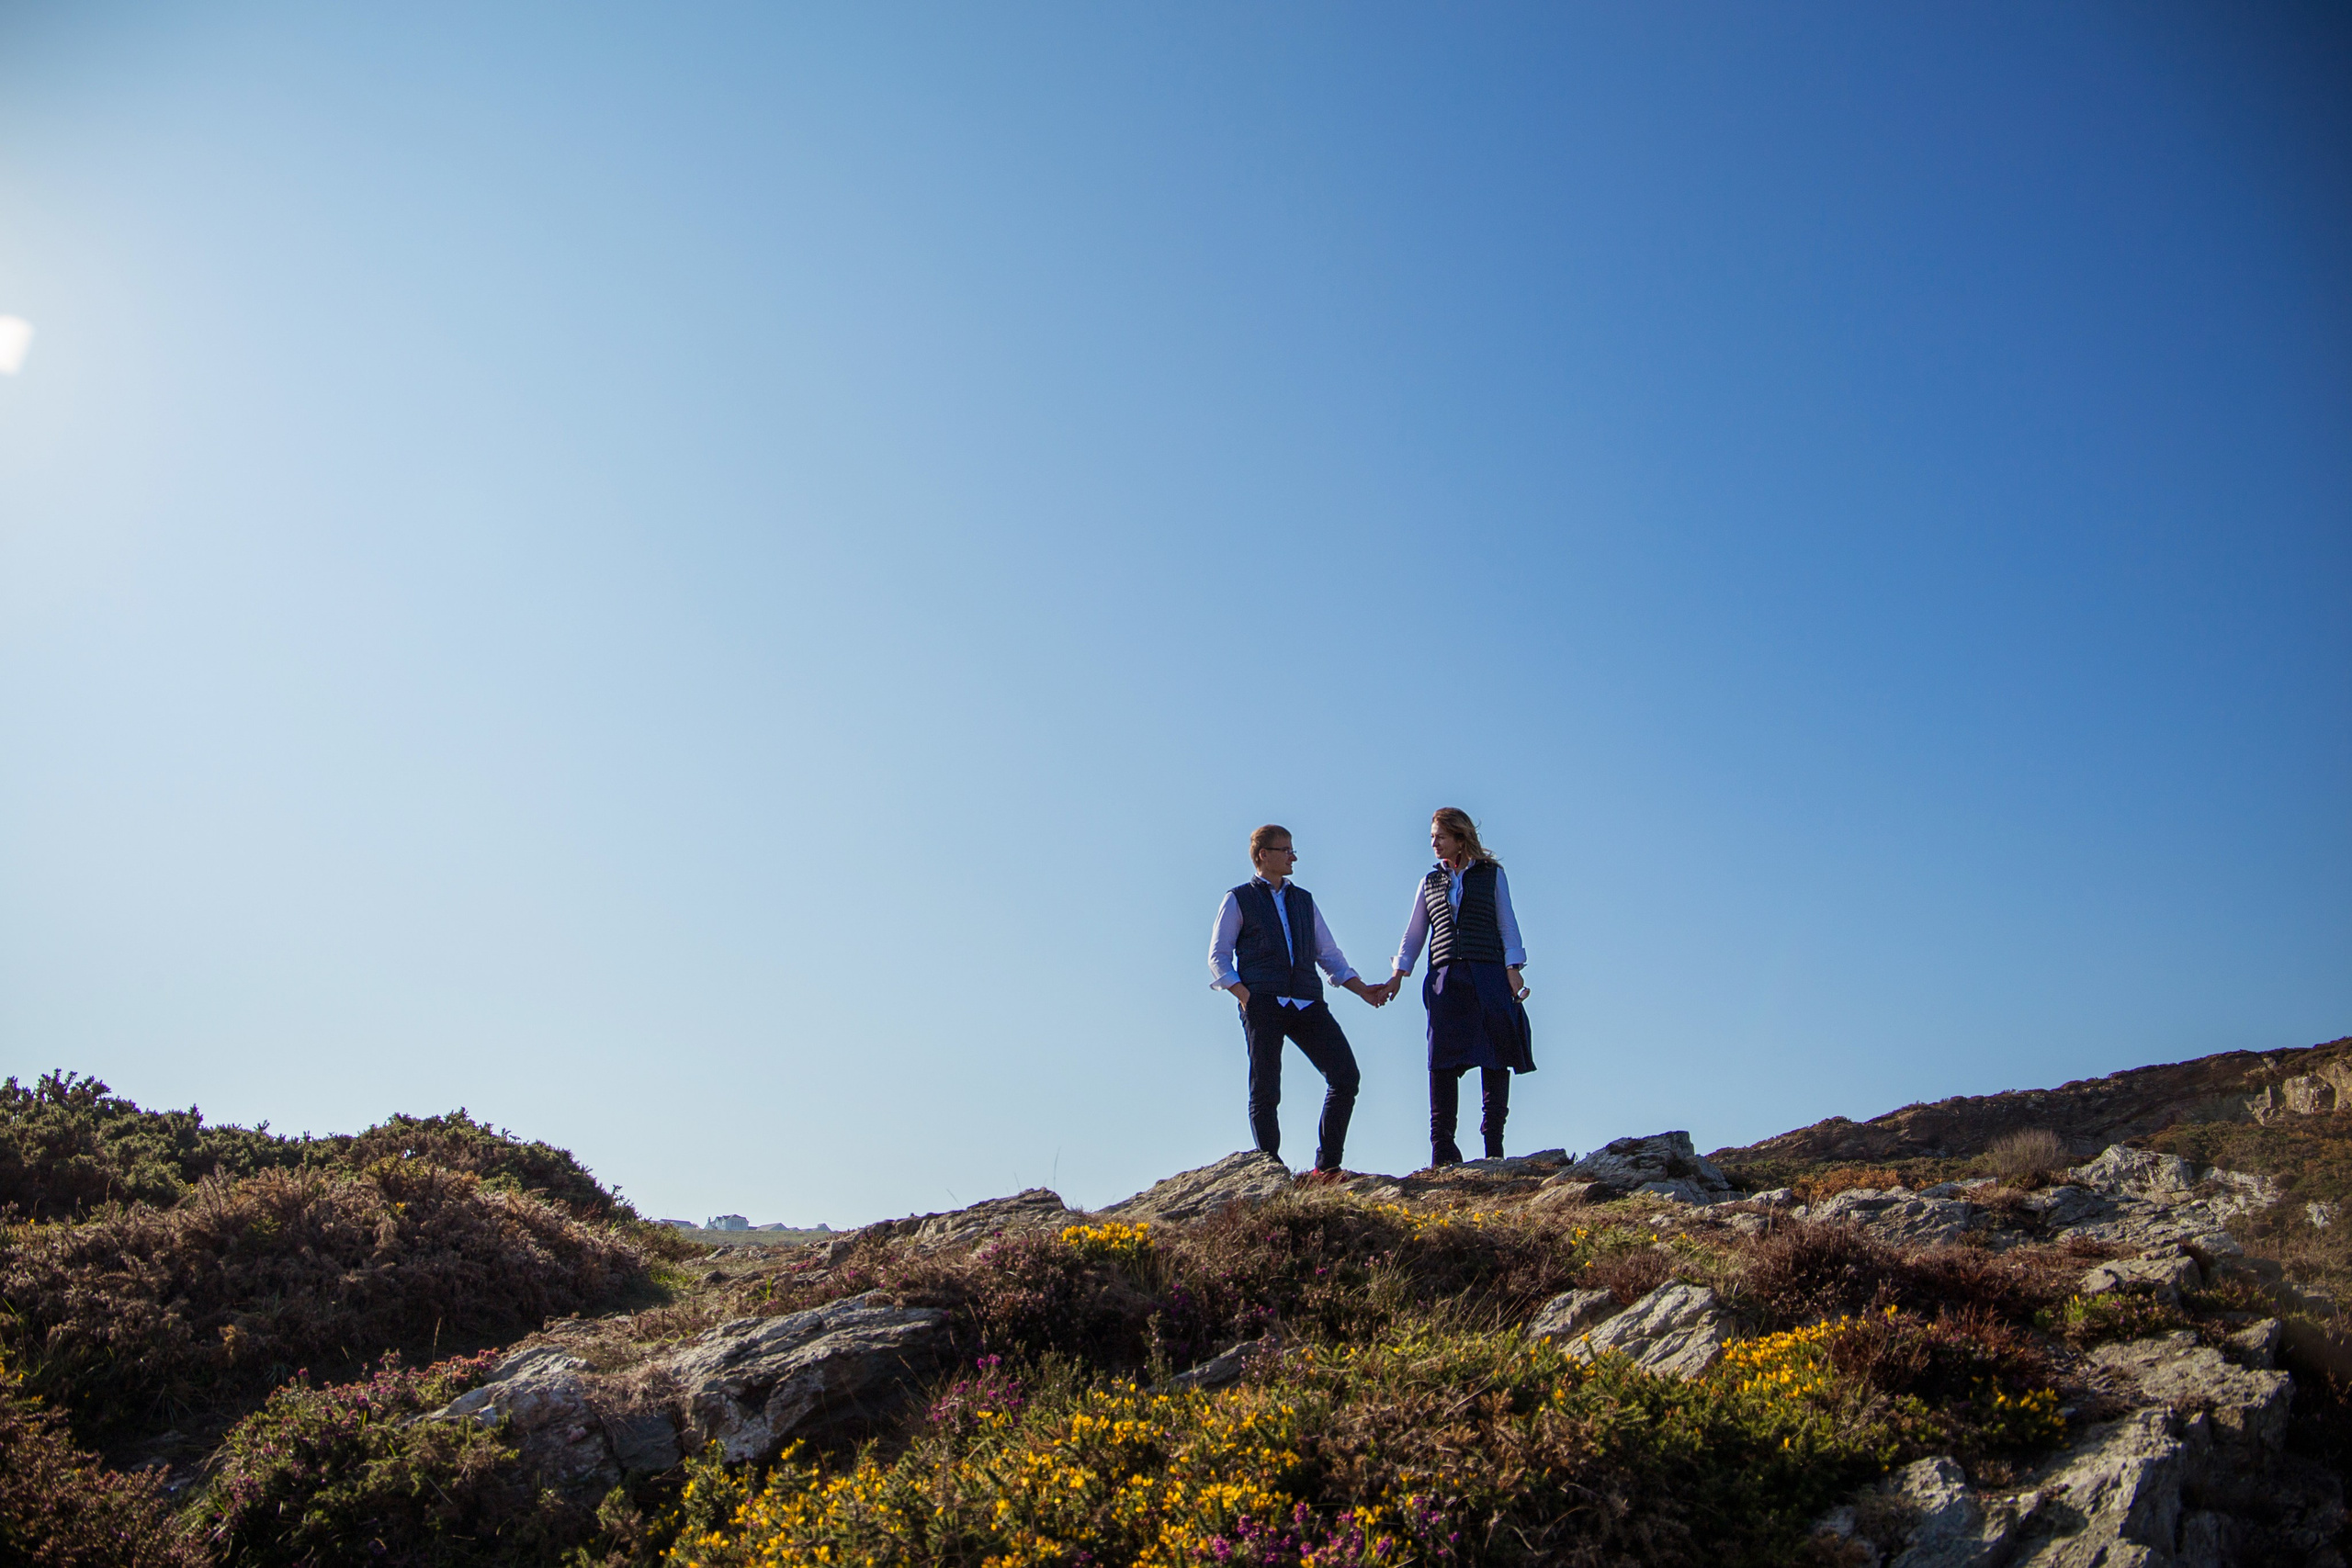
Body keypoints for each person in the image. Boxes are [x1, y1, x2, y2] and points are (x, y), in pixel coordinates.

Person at [1207, 824, 1389, 1176]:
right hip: (1262, 1002)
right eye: (1286, 850)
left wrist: (1362, 989)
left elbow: (1329, 955)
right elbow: (1218, 955)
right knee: (1266, 1089)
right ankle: (1271, 1172)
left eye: (1293, 850)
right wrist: (1245, 996)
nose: (1293, 857)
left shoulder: (1304, 900)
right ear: (1264, 855)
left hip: (1307, 1002)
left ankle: (1327, 1169)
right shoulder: (1238, 898)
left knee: (1345, 1077)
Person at [1381, 807, 1534, 1167]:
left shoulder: (1492, 875)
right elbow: (1414, 933)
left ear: (1460, 838)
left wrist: (1513, 968)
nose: (1434, 843)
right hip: (1445, 978)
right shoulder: (1429, 882)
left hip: (1488, 974)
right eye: (1432, 837)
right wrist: (1398, 975)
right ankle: (1442, 1149)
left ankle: (1494, 1147)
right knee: (1442, 1061)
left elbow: (1507, 923)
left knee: (1495, 1056)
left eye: (1441, 837)